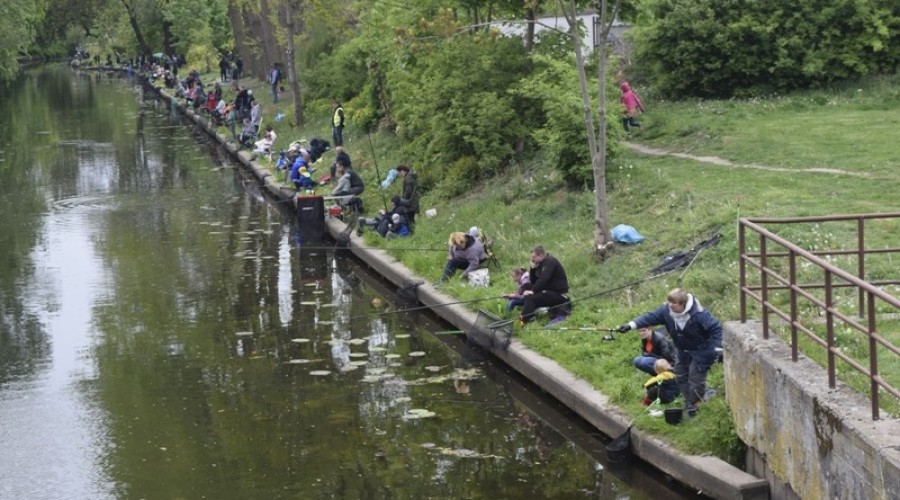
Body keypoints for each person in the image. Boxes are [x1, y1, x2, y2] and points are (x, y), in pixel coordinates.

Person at [617, 288, 723, 417]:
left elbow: (716, 329)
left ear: (682, 304)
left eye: (674, 303)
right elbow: (650, 317)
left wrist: (718, 350)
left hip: (701, 350)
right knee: (680, 375)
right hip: (682, 349)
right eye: (669, 302)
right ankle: (690, 401)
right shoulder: (666, 310)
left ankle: (693, 407)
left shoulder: (699, 315)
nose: (670, 305)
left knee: (695, 378)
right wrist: (631, 325)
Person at [520, 246, 570, 326]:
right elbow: (533, 281)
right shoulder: (540, 264)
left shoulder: (549, 261)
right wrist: (532, 269)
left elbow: (544, 279)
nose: (532, 259)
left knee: (532, 297)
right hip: (549, 290)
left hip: (559, 294)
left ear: (540, 255)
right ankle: (530, 315)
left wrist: (533, 291)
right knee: (526, 286)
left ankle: (522, 321)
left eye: (533, 257)